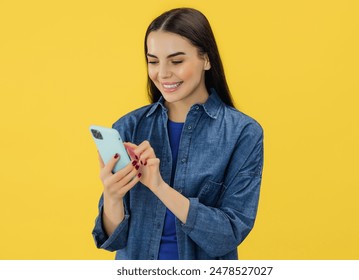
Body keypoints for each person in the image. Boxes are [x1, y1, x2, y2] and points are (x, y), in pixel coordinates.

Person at [92, 7, 264, 260]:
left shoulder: (243, 133)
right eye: (153, 61)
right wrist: (113, 194)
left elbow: (228, 234)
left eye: (176, 61)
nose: (162, 73)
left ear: (206, 59)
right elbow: (113, 239)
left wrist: (159, 187)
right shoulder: (128, 127)